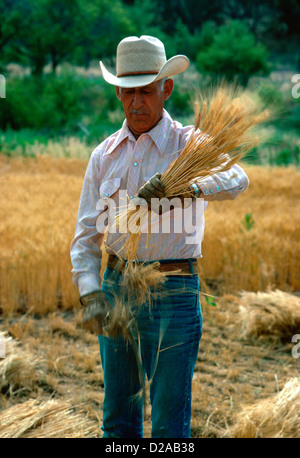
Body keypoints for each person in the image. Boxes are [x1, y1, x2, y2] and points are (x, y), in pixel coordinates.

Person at [70, 35, 249, 438]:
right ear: (118, 91)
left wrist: (187, 186)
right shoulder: (104, 155)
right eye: (129, 92)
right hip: (117, 287)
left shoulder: (190, 146)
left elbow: (239, 178)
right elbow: (85, 237)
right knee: (118, 423)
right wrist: (91, 293)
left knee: (170, 426)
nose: (137, 102)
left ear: (166, 88)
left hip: (175, 292)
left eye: (147, 92)